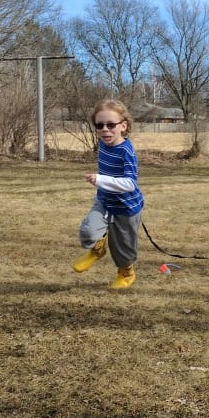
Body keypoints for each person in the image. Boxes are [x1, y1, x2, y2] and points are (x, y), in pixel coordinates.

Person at [72, 99, 144, 290]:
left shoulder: (126, 152)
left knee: (123, 248)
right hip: (104, 201)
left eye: (111, 125)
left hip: (126, 207)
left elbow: (130, 184)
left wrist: (100, 180)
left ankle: (126, 273)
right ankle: (97, 249)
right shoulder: (104, 145)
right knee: (88, 231)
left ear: (123, 126)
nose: (105, 129)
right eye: (99, 125)